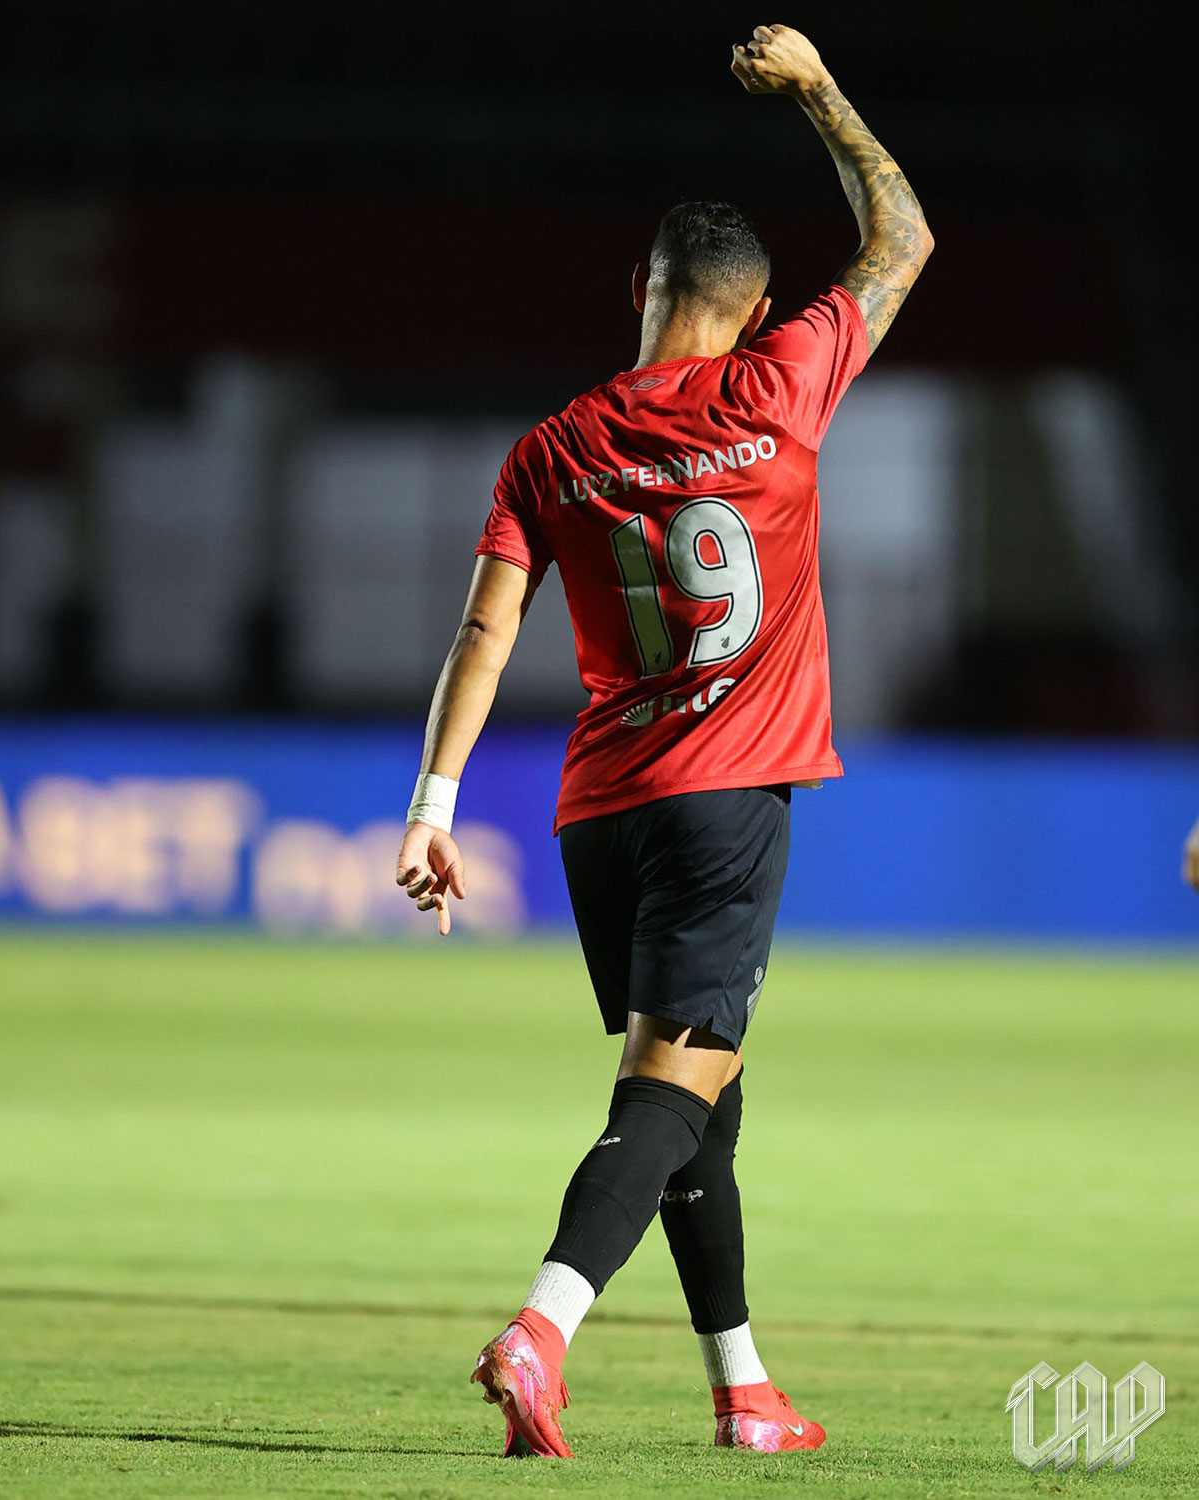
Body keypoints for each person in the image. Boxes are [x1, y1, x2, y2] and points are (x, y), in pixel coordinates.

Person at [396, 22, 933, 1458]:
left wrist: (431, 802)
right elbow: (902, 237)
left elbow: (482, 637)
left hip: (600, 816)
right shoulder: (783, 390)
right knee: (665, 1094)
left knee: (701, 1097)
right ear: (758, 317)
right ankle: (544, 1327)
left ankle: (744, 1388)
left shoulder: (553, 446)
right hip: (726, 803)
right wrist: (818, 88)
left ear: (639, 290)